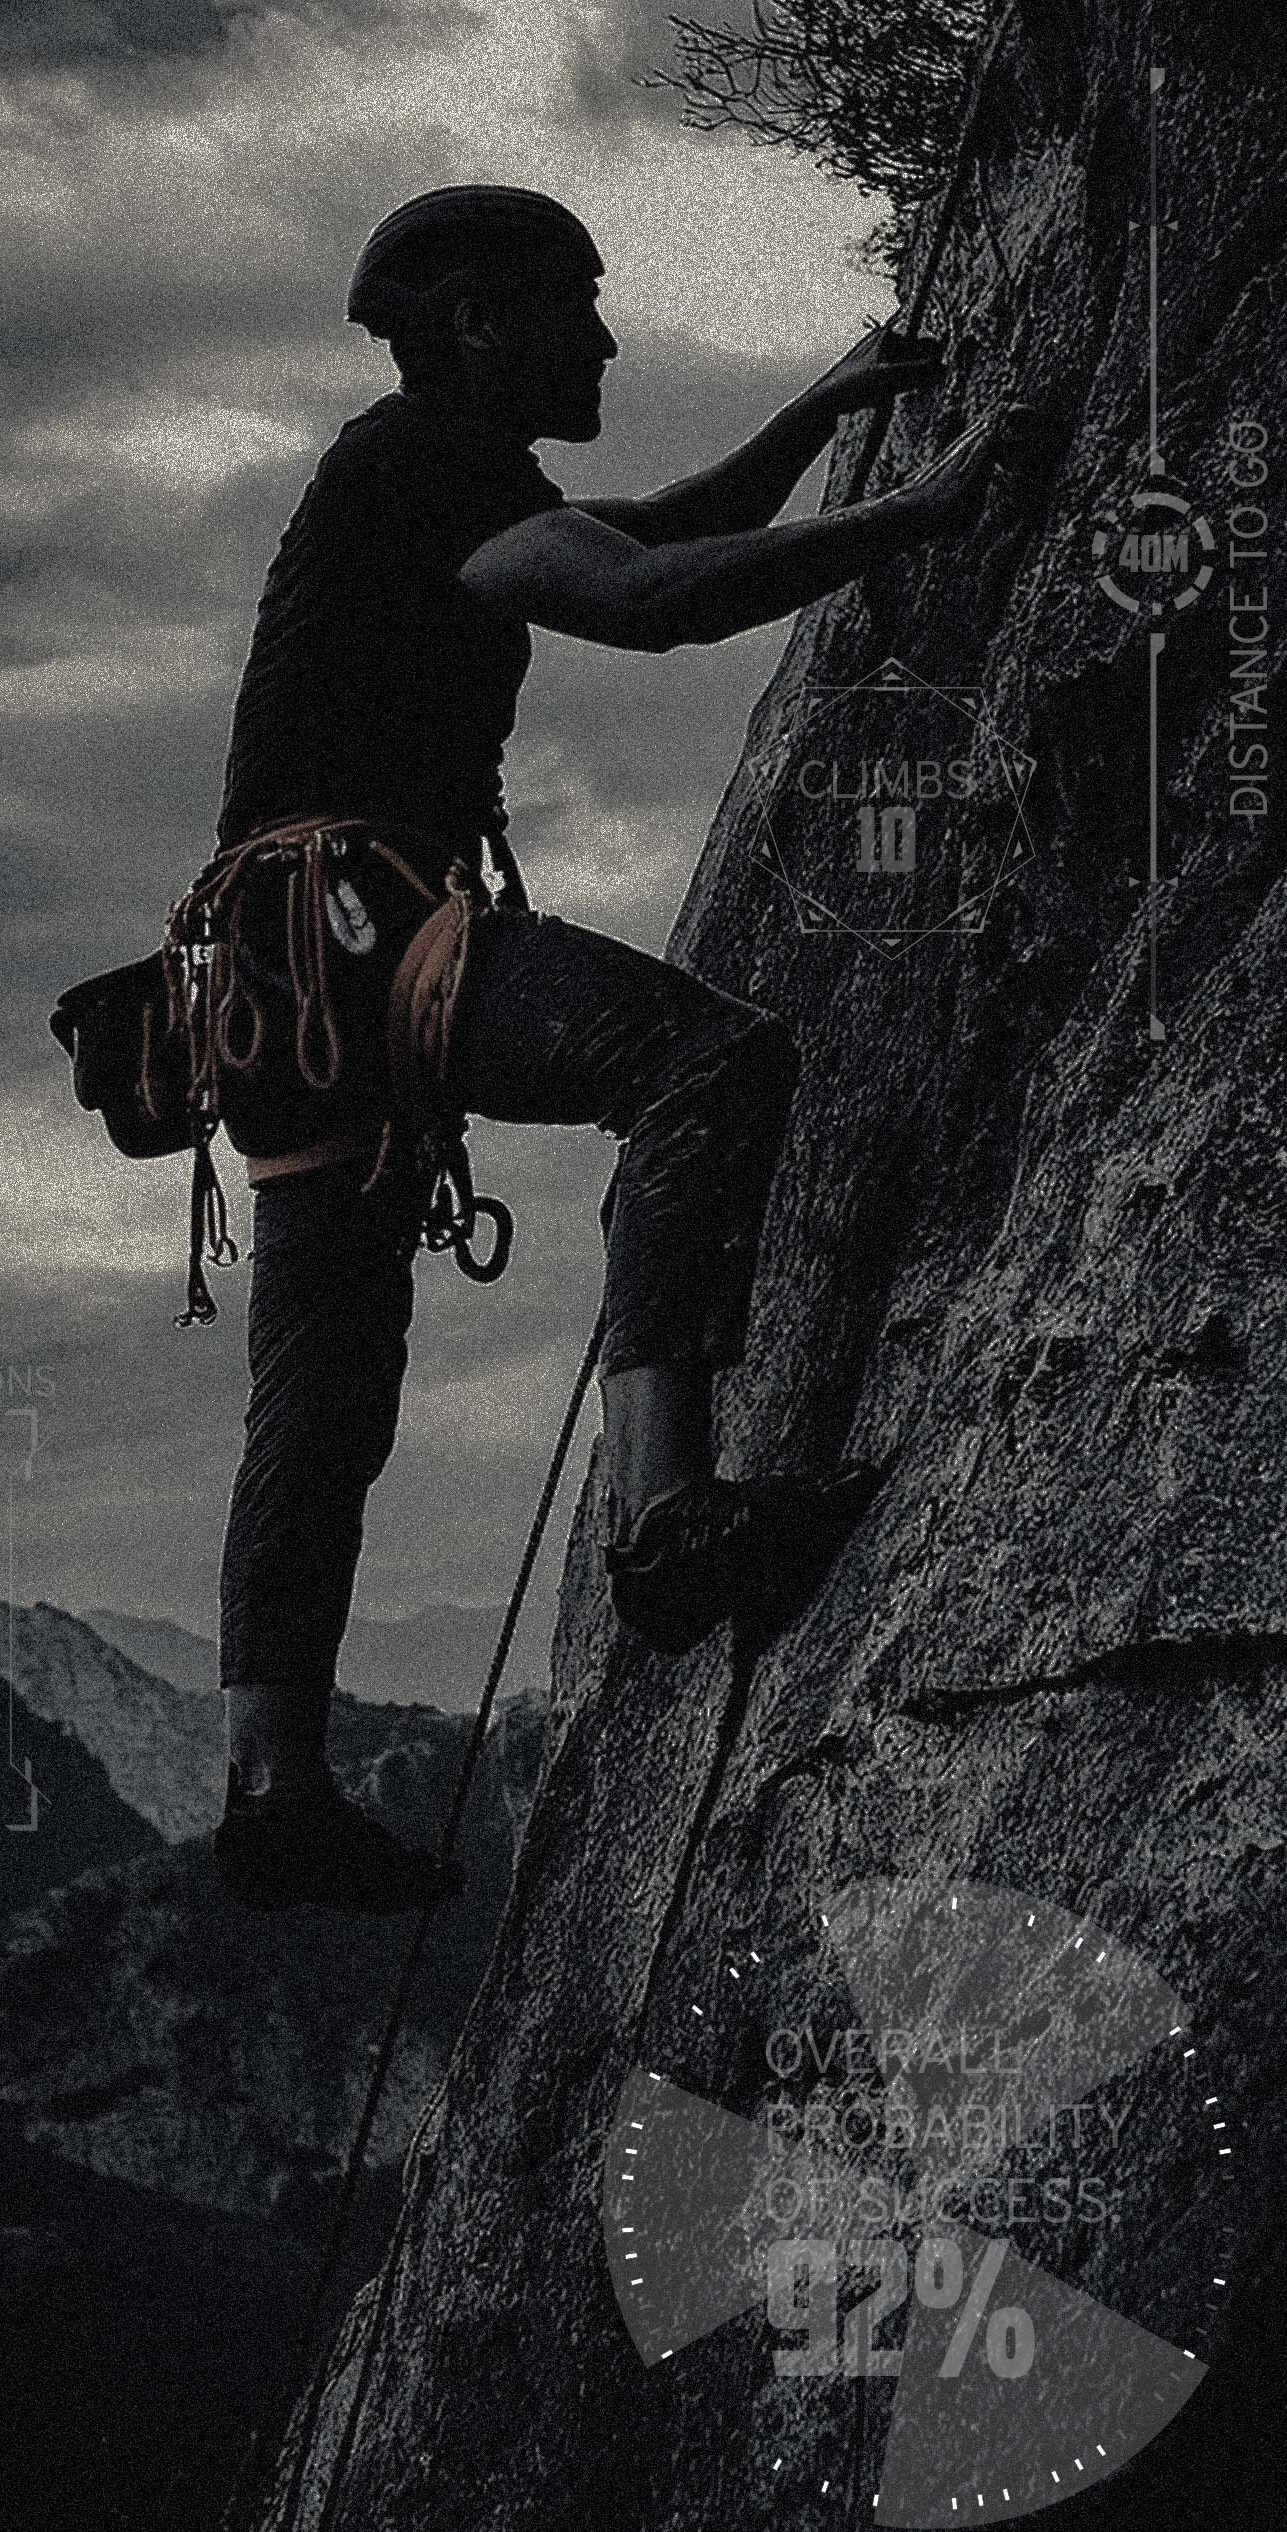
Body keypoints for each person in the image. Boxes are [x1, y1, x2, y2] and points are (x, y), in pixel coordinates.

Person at [205, 184, 1014, 1914]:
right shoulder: (420, 454)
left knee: (325, 1393)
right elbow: (650, 598)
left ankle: (272, 1777)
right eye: (579, 301)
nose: (610, 336)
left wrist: (814, 419)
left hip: (276, 994)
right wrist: (930, 510)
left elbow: (641, 529)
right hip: (366, 939)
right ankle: (669, 1513)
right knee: (701, 1063)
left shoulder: (424, 481)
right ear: (487, 322)